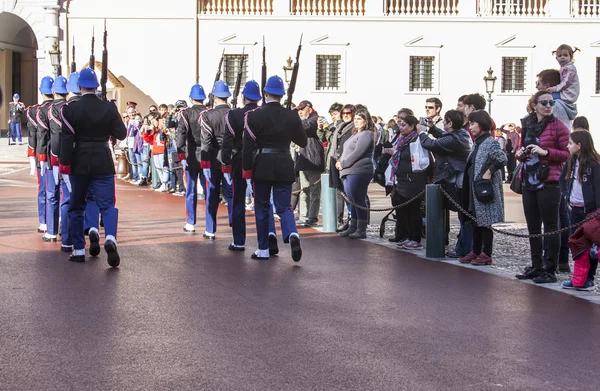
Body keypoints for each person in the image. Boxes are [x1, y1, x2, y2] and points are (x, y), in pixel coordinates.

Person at [59, 67, 127, 266]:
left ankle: (79, 250)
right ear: (97, 86)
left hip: (79, 161)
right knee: (107, 205)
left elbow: (66, 140)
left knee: (77, 206)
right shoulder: (108, 107)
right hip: (103, 159)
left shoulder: (70, 109)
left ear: (80, 87)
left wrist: (65, 164)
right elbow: (121, 134)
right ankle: (111, 238)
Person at [242, 75, 307, 262]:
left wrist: (247, 171)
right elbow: (302, 141)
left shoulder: (253, 116)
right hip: (285, 162)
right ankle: (292, 234)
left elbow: (248, 147)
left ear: (265, 93)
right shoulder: (291, 115)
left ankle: (263, 249)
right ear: (282, 95)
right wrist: (291, 122)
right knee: (284, 207)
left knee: (262, 207)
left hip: (262, 164)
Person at [515, 90, 570, 283]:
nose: (548, 106)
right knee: (533, 227)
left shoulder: (559, 126)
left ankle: (550, 269)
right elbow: (519, 149)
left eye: (551, 103)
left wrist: (545, 152)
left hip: (549, 182)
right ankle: (536, 266)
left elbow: (567, 154)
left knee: (551, 226)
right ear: (534, 105)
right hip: (529, 180)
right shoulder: (527, 125)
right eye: (544, 102)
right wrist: (520, 153)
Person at [222, 80, 278, 253]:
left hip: (240, 160)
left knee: (238, 201)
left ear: (243, 97)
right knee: (263, 202)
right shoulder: (265, 113)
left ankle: (239, 241)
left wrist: (226, 163)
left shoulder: (234, 115)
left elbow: (227, 142)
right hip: (262, 159)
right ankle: (270, 234)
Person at [417, 109, 472, 254]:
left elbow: (431, 144)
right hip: (454, 180)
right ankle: (463, 248)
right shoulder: (461, 134)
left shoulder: (454, 139)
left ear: (450, 123)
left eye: (445, 121)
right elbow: (443, 136)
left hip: (454, 182)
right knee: (463, 216)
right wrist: (432, 128)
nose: (444, 124)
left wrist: (422, 132)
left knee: (464, 216)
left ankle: (464, 249)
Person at [458, 110, 507, 266]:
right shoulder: (478, 142)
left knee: (485, 222)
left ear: (482, 123)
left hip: (484, 189)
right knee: (476, 220)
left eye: (473, 123)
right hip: (474, 188)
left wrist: (488, 171)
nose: (470, 127)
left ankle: (487, 253)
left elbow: (502, 158)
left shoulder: (490, 142)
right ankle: (476, 250)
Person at [561, 131, 600, 291]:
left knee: (591, 246)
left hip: (589, 212)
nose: (567, 146)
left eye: (570, 143)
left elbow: (598, 189)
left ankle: (589, 278)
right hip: (574, 209)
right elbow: (562, 180)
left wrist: (597, 211)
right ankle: (579, 277)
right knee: (577, 245)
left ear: (579, 145)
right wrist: (566, 197)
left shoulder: (594, 165)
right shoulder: (571, 161)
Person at [388, 115, 430, 250]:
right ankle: (408, 236)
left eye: (404, 125)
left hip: (414, 180)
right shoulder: (401, 140)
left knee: (414, 211)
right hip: (402, 179)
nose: (401, 128)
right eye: (400, 125)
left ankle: (416, 238)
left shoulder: (416, 139)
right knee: (405, 210)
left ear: (412, 126)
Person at [200, 80, 233, 240]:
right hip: (231, 157)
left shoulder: (207, 115)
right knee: (231, 194)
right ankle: (235, 225)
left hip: (213, 158)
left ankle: (210, 229)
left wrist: (205, 161)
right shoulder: (234, 114)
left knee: (212, 193)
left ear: (214, 96)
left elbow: (206, 141)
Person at [336, 109, 375, 239]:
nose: (356, 121)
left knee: (358, 199)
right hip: (348, 171)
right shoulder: (355, 134)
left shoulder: (366, 134)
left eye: (359, 119)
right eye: (355, 119)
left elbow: (358, 152)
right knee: (352, 200)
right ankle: (353, 226)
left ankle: (361, 228)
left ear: (366, 120)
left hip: (359, 171)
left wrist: (343, 163)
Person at [176, 84, 208, 233]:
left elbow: (181, 134)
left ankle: (191, 222)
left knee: (191, 189)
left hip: (191, 155)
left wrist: (180, 153)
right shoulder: (210, 112)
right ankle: (210, 223)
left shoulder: (186, 113)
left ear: (191, 98)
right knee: (209, 189)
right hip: (208, 154)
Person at [43, 76, 69, 243]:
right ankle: (66, 232)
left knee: (52, 193)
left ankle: (52, 231)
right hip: (72, 157)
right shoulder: (72, 107)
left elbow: (47, 136)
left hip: (53, 157)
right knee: (69, 196)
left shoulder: (48, 109)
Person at [27, 76, 54, 234]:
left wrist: (32, 157)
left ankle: (44, 221)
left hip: (42, 155)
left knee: (43, 189)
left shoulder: (34, 110)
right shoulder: (65, 107)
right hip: (61, 154)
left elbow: (32, 137)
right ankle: (58, 220)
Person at [294, 100, 324, 227]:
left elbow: (306, 126)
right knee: (304, 191)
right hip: (304, 159)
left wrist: (293, 122)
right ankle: (304, 215)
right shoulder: (306, 119)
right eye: (298, 110)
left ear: (309, 108)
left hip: (314, 160)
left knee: (314, 191)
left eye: (302, 109)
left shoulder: (315, 119)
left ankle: (312, 216)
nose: (300, 112)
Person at [329, 104, 356, 231]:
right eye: (343, 113)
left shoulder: (355, 129)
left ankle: (354, 222)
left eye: (348, 113)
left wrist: (343, 161)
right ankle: (349, 221)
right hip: (337, 163)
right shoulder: (340, 127)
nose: (345, 115)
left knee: (352, 196)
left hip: (348, 166)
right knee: (343, 193)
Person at [547, 44, 580, 109]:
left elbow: (566, 82)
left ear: (571, 57)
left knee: (547, 98)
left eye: (565, 55)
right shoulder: (564, 68)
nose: (562, 57)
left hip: (568, 94)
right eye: (560, 56)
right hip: (565, 93)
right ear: (556, 58)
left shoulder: (570, 69)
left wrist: (555, 88)